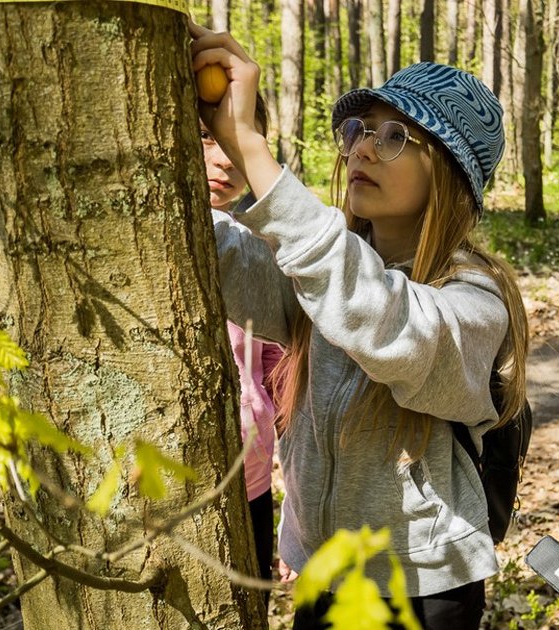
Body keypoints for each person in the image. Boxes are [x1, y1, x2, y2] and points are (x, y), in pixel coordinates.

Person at [189, 23, 529, 630]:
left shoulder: (476, 299)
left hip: (419, 591)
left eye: (395, 136)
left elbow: (384, 323)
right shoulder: (329, 268)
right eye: (358, 130)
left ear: (450, 172)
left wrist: (253, 149)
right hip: (324, 575)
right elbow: (218, 258)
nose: (361, 150)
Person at [201, 97, 283, 594]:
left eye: (237, 141)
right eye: (208, 137)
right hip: (174, 480)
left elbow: (279, 366)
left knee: (249, 604)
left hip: (251, 482)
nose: (226, 159)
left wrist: (294, 497)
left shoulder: (256, 248)